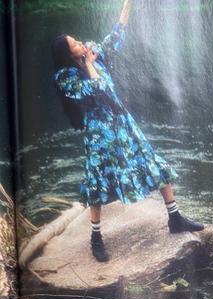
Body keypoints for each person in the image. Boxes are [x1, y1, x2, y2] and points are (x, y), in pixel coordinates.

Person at [51, 0, 204, 263]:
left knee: (152, 163)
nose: (80, 42)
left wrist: (127, 4)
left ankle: (175, 217)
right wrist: (89, 64)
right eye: (74, 43)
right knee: (98, 180)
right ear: (68, 53)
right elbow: (97, 89)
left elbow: (115, 34)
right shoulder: (66, 77)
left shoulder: (93, 53)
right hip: (99, 132)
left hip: (123, 122)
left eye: (77, 40)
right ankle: (96, 237)